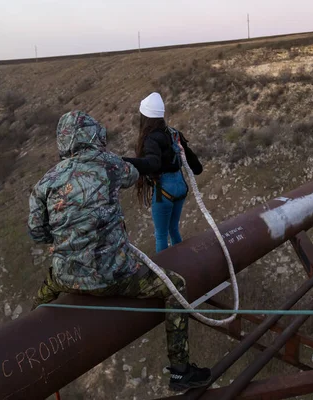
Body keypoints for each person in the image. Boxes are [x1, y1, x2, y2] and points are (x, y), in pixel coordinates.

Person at [27, 110, 211, 391]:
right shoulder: (109, 165)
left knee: (43, 294)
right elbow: (134, 174)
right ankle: (180, 371)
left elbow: (37, 233)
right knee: (175, 287)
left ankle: (28, 338)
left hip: (66, 276)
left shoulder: (45, 182)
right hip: (115, 275)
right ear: (93, 135)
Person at [123, 92, 203, 253]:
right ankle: (185, 262)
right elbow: (197, 167)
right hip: (180, 187)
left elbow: (153, 163)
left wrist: (123, 161)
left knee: (160, 235)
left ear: (145, 117)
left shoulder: (151, 139)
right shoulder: (174, 134)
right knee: (173, 229)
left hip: (163, 191)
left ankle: (166, 273)